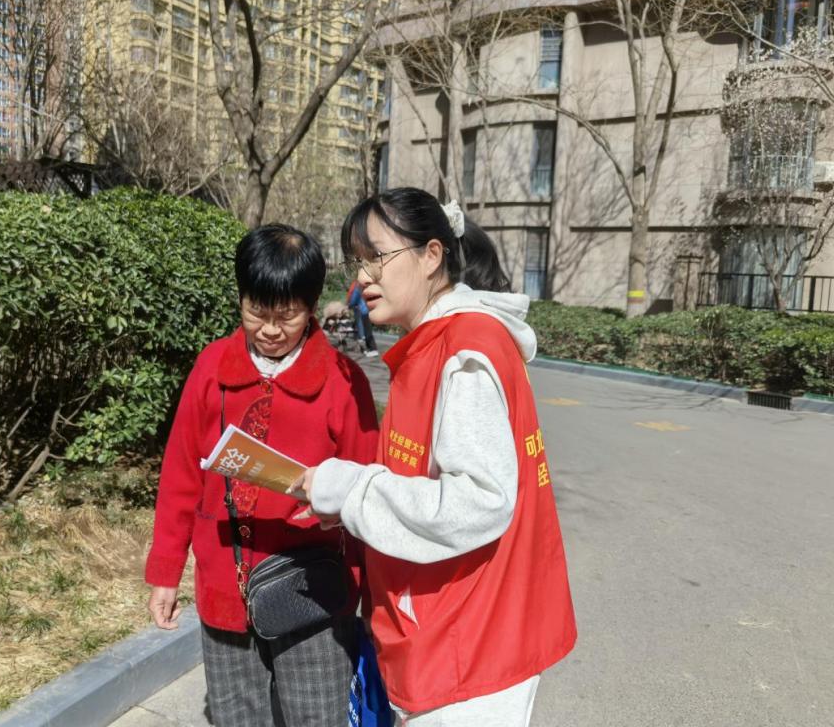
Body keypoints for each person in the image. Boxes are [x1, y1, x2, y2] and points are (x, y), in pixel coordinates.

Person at [292, 189, 577, 726]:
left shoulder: (464, 351)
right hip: (459, 628)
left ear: (431, 256)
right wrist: (351, 504)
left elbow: (479, 500)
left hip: (471, 643)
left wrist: (352, 490)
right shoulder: (436, 344)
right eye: (358, 261)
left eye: (378, 257)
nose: (363, 277)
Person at [145, 224, 380, 727]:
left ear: (311, 306)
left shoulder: (343, 382)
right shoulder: (212, 368)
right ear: (241, 298)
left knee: (317, 717)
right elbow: (180, 475)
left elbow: (368, 489)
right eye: (257, 311)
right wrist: (165, 573)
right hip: (224, 584)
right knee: (236, 717)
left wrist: (371, 591)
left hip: (313, 591)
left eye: (287, 315)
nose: (270, 329)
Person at [348, 279, 379, 357]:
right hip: (369, 309)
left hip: (363, 310)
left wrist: (350, 305)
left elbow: (354, 298)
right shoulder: (368, 285)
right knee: (368, 329)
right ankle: (370, 348)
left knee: (367, 330)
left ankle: (373, 349)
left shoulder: (358, 286)